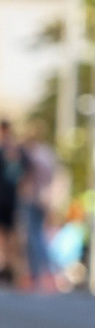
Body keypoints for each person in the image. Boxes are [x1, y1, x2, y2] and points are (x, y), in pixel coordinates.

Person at [16, 127, 56, 292]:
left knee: (35, 237)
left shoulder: (34, 156)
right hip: (40, 198)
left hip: (34, 199)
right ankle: (40, 274)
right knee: (36, 236)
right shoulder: (46, 154)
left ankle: (43, 273)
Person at [0, 119, 22, 285]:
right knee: (5, 235)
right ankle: (6, 267)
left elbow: (23, 175)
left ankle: (10, 269)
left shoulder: (14, 150)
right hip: (8, 197)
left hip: (10, 198)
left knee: (10, 235)